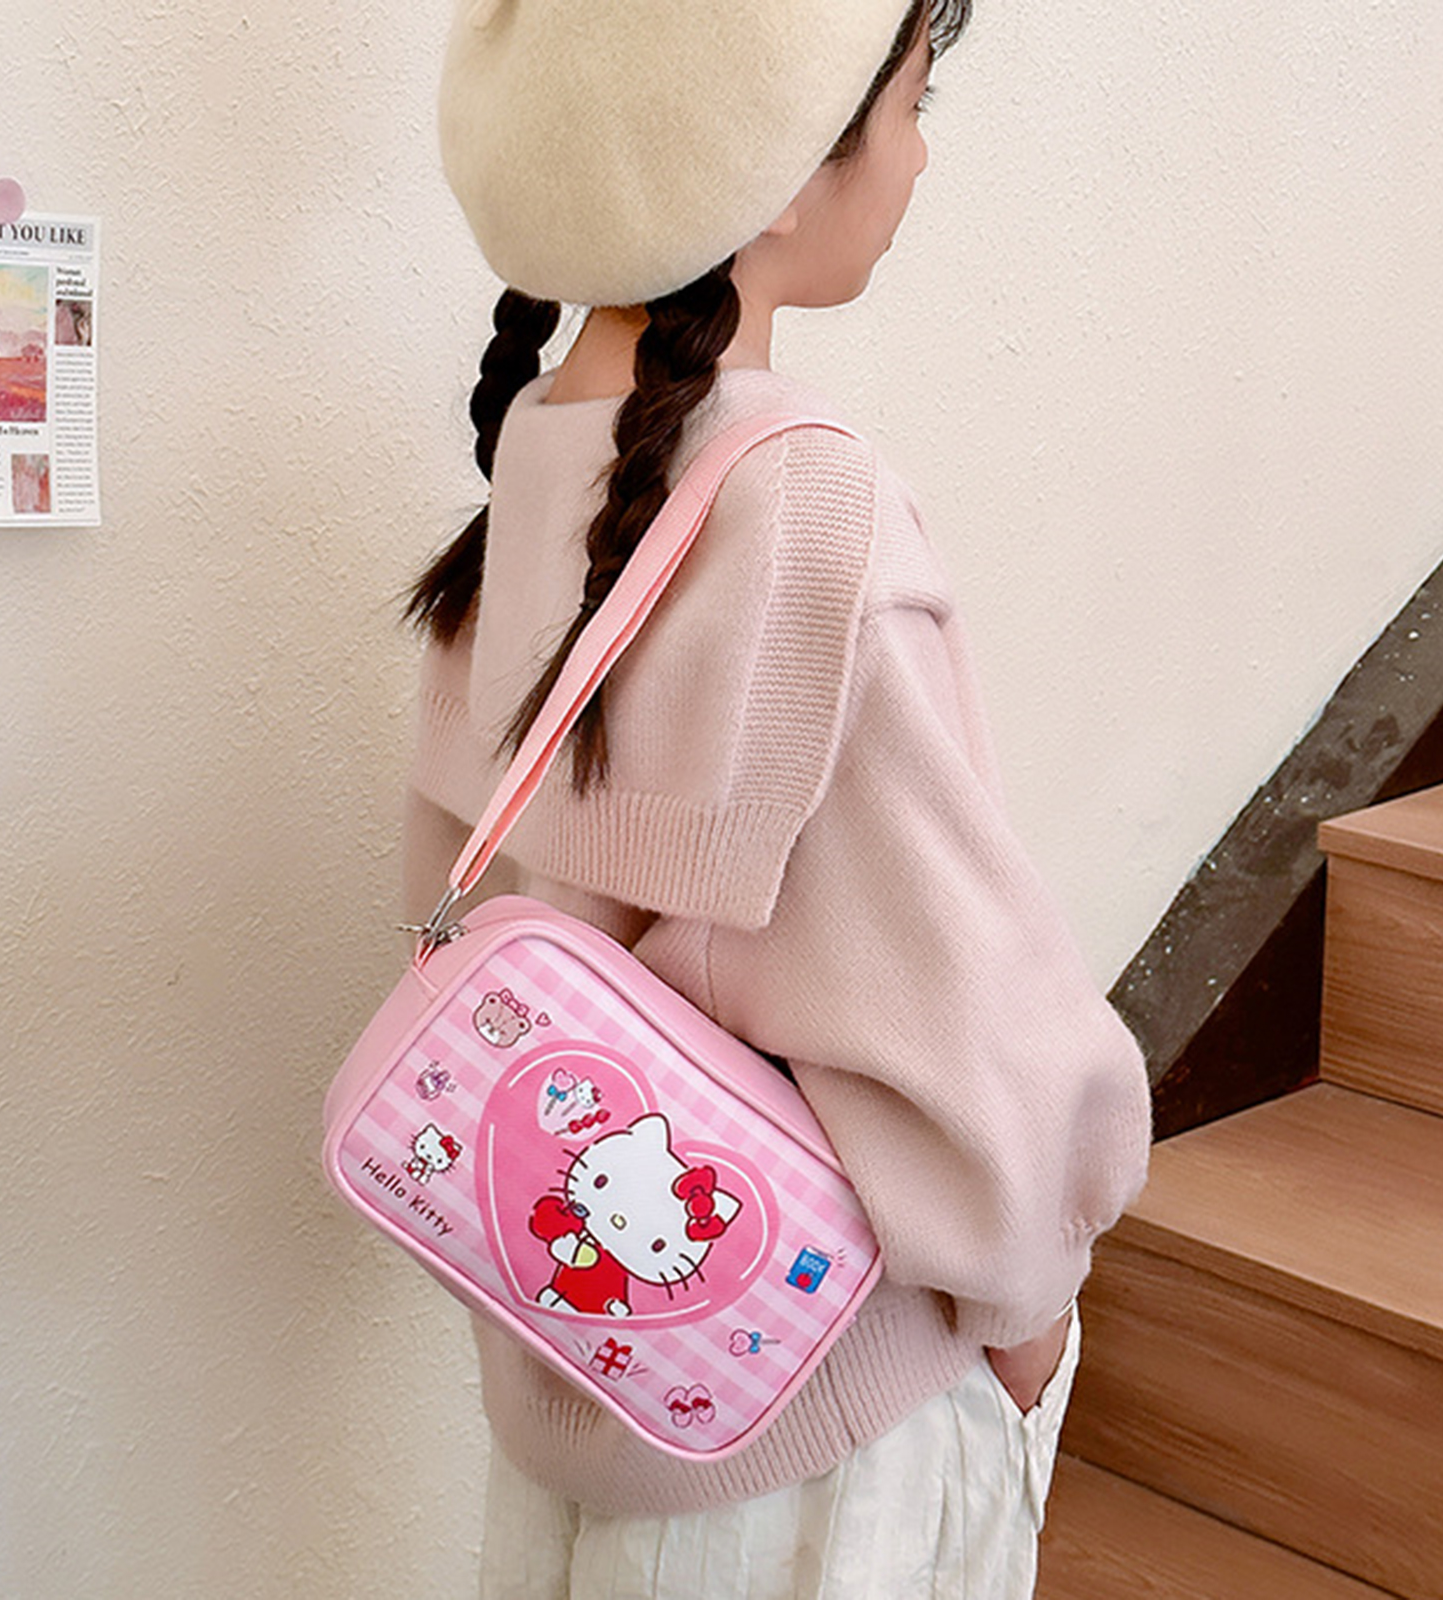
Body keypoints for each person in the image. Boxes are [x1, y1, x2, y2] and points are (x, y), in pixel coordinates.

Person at [401, 2, 1152, 1594]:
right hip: (811, 1424)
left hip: (595, 1380)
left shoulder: (533, 462)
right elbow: (953, 993)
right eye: (916, 100)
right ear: (785, 165)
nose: (922, 153)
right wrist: (1036, 1293)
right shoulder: (809, 503)